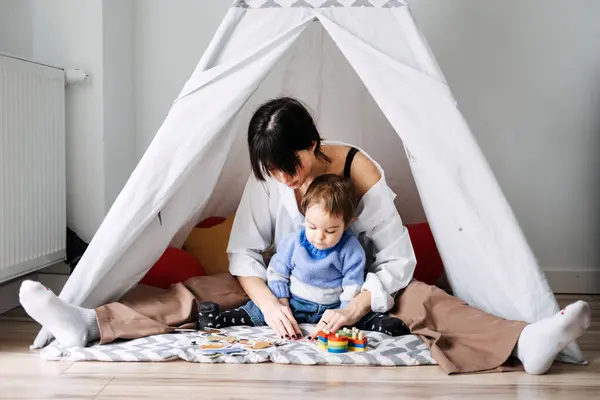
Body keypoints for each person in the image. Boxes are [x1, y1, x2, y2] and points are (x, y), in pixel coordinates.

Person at [19, 97, 591, 375]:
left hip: (352, 294)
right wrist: (268, 304)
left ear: (313, 145)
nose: (282, 180)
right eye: (271, 171)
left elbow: (399, 260)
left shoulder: (358, 172)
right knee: (199, 289)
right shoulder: (269, 177)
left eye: (289, 167)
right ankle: (91, 323)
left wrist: (356, 305)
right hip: (284, 290)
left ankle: (523, 342)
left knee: (429, 300)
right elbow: (245, 251)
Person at [196, 174, 409, 339]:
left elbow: (352, 285)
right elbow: (278, 272)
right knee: (257, 310)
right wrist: (280, 303)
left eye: (331, 230)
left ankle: (381, 325)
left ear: (348, 224)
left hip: (331, 306)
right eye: (312, 226)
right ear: (304, 214)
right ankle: (220, 320)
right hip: (294, 302)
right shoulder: (293, 242)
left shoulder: (351, 250)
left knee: (361, 316)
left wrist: (343, 314)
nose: (319, 237)